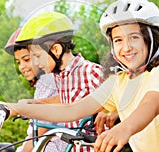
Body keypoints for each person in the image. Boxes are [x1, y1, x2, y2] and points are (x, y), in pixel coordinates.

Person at [0, 0, 159, 152]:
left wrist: (123, 129)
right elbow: (73, 109)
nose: (126, 47)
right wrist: (15, 108)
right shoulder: (119, 81)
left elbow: (149, 107)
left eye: (134, 37)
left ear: (150, 39)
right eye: (118, 40)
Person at [14, 12, 105, 152]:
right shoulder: (60, 77)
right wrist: (35, 103)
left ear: (56, 49)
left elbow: (119, 104)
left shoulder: (92, 72)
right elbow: (66, 102)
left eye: (38, 56)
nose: (36, 63)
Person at [4, 28, 67, 152]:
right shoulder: (44, 83)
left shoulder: (49, 80)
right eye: (18, 62)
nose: (22, 67)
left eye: (26, 59)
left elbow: (40, 132)